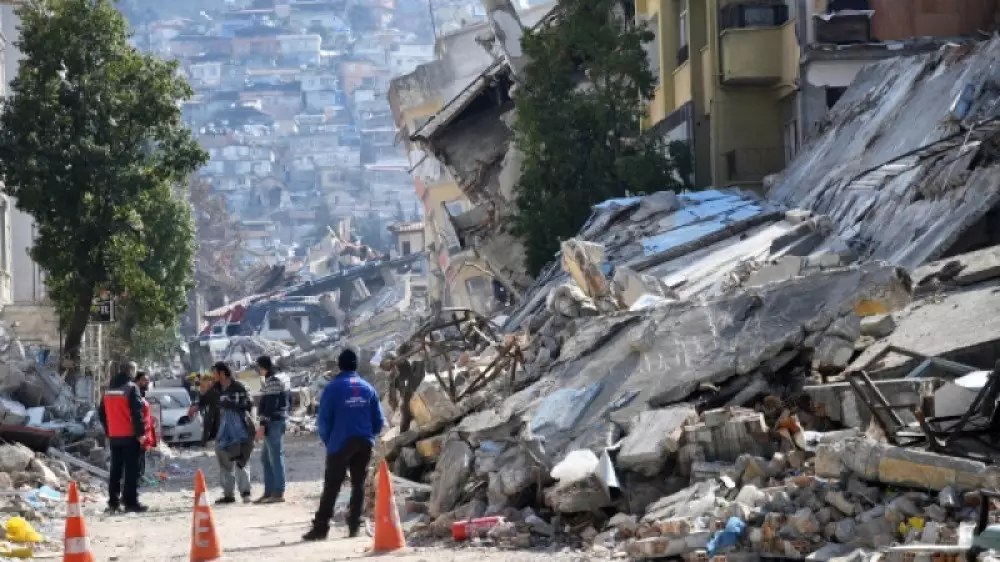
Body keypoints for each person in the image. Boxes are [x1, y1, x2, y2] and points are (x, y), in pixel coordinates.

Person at [303, 349, 385, 541]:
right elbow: (379, 420)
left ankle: (321, 527)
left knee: (332, 485)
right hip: (364, 441)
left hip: (340, 442)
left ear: (339, 366)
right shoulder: (367, 388)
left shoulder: (332, 388)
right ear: (356, 365)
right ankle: (354, 525)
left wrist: (329, 441)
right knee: (358, 484)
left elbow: (323, 421)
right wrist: (369, 436)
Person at [98, 366, 149, 514]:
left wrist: (109, 430)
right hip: (130, 436)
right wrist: (140, 434)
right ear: (130, 374)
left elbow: (101, 413)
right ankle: (130, 503)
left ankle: (113, 503)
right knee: (131, 471)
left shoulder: (108, 391)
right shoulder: (131, 389)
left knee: (115, 470)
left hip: (115, 437)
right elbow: (137, 412)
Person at [211, 362, 255, 505]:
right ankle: (228, 494)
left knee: (242, 460)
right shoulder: (217, 388)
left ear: (223, 373)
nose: (213, 375)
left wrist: (231, 404)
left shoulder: (239, 387)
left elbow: (249, 405)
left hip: (240, 430)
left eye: (215, 372)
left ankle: (245, 493)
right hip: (224, 431)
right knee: (224, 463)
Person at [255, 355, 291, 504]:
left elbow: (271, 404)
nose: (258, 370)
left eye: (259, 367)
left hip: (274, 421)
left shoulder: (274, 380)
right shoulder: (282, 376)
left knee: (275, 456)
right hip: (278, 420)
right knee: (266, 458)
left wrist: (263, 424)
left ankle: (278, 492)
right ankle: (269, 491)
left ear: (264, 366)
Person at [133, 372, 158, 482]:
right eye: (144, 379)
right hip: (139, 435)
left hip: (144, 434)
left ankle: (139, 477)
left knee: (141, 457)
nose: (147, 382)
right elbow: (137, 415)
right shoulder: (135, 395)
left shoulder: (141, 395)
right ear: (137, 381)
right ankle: (136, 480)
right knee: (137, 458)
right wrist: (139, 434)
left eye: (147, 380)